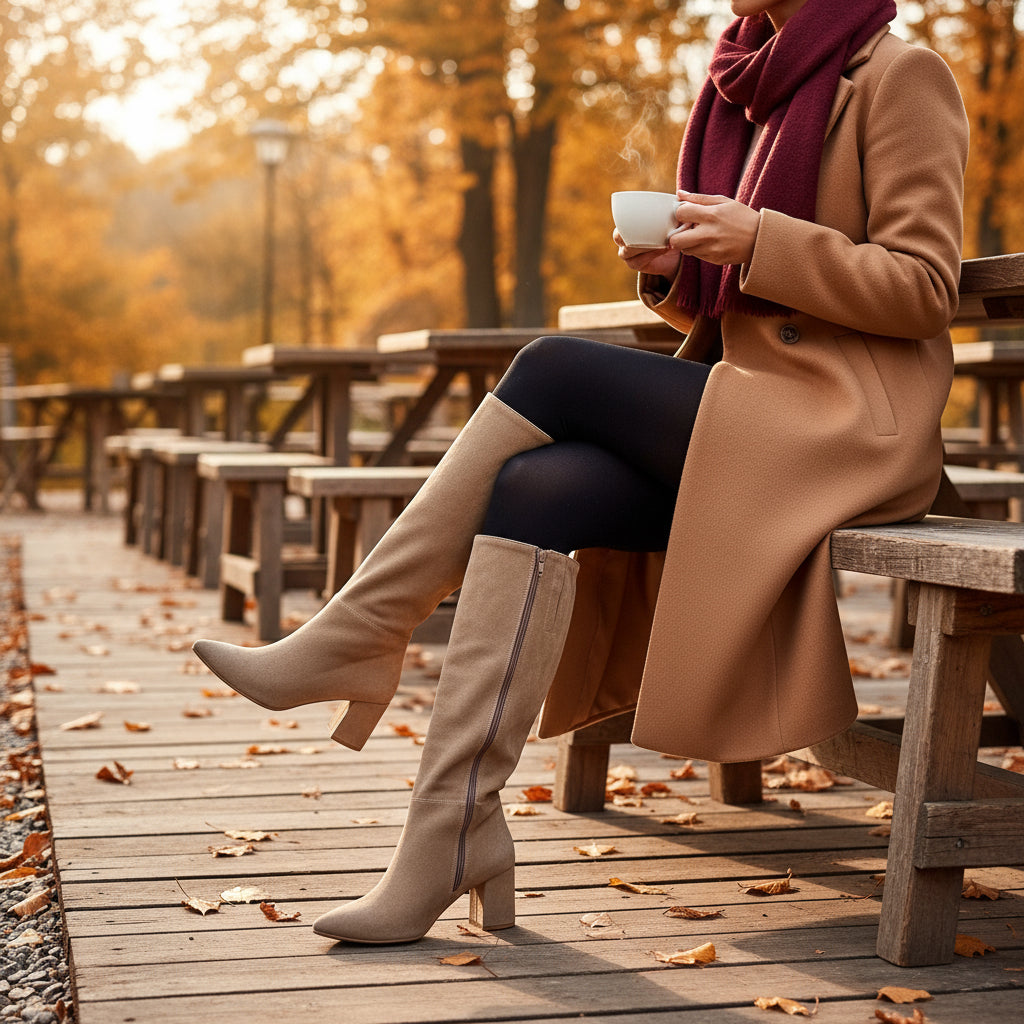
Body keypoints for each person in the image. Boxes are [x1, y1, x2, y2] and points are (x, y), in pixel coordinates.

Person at [192, 0, 968, 945]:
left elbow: (924, 289)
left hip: (843, 429)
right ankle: (449, 833)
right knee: (537, 487)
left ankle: (360, 632)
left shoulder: (900, 78)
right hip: (759, 413)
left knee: (553, 369)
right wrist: (676, 272)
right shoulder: (746, 87)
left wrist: (761, 241)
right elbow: (747, 318)